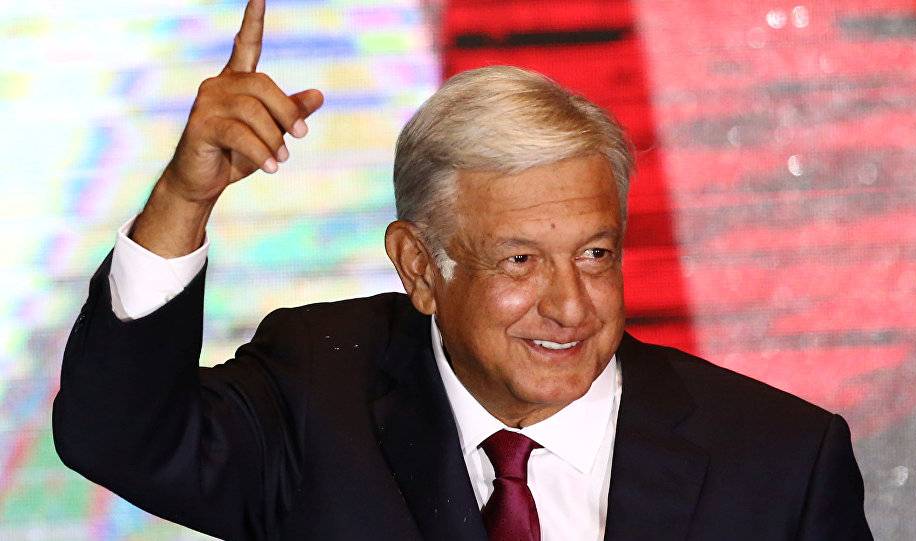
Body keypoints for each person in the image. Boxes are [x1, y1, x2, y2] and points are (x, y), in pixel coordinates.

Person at [53, 1, 874, 540]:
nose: (570, 306)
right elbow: (119, 436)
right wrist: (185, 195)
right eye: (520, 260)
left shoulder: (780, 464)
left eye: (595, 254)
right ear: (419, 266)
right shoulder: (319, 392)